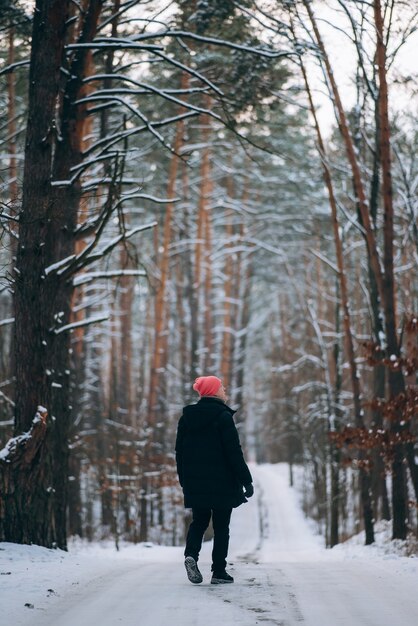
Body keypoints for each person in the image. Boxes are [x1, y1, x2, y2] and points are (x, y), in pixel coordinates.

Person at [175, 375, 254, 585]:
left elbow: (179, 452)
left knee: (199, 521)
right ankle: (219, 571)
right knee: (221, 526)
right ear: (214, 391)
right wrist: (246, 480)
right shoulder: (223, 417)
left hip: (195, 482)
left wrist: (184, 479)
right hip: (223, 483)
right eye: (222, 387)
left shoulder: (186, 418)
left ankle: (191, 555)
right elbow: (233, 452)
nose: (225, 390)